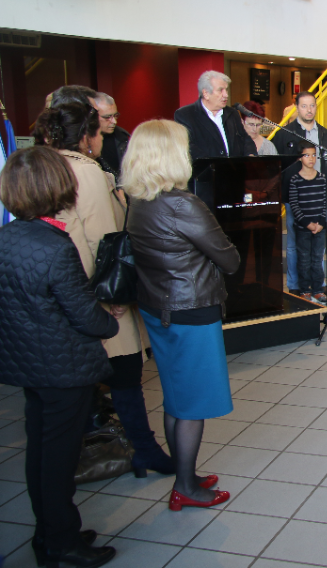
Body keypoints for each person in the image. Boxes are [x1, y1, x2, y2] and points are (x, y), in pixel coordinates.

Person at [36, 103, 175, 478]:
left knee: (79, 383)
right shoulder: (86, 171)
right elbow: (99, 240)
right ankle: (142, 449)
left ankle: (79, 453)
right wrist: (105, 297)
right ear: (85, 135)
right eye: (99, 131)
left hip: (58, 293)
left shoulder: (42, 164)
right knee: (126, 372)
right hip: (96, 293)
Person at [0, 146, 120, 568]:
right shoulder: (54, 246)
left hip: (28, 364)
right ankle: (61, 543)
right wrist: (111, 324)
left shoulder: (8, 238)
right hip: (63, 368)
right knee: (59, 460)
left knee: (41, 453)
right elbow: (85, 316)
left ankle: (50, 533)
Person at [122, 120, 238, 512]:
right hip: (191, 310)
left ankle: (184, 472)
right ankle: (186, 486)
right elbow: (229, 259)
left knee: (176, 395)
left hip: (158, 308)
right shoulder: (182, 204)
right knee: (192, 405)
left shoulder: (137, 201)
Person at [275, 92, 327, 296]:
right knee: (295, 246)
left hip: (318, 197)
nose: (309, 110)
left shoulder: (325, 134)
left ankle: (318, 286)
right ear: (296, 108)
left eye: (312, 106)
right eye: (304, 106)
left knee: (319, 245)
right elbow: (280, 167)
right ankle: (295, 286)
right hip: (296, 198)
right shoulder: (285, 133)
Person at [173, 70, 257, 161]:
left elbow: (245, 139)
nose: (226, 95)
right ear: (206, 94)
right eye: (220, 90)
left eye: (226, 90)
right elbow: (189, 147)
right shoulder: (185, 115)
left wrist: (251, 155)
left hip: (234, 172)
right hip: (204, 173)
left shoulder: (232, 113)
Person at [289, 143, 327, 305]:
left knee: (317, 259)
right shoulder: (295, 180)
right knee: (304, 260)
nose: (311, 158)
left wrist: (320, 222)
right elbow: (294, 205)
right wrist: (308, 224)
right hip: (303, 228)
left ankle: (318, 289)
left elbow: (326, 202)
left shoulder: (322, 178)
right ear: (300, 158)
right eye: (307, 155)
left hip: (319, 227)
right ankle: (305, 290)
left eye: (314, 155)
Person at [93, 92, 130, 176]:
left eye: (115, 115)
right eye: (107, 117)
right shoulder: (83, 143)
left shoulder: (122, 136)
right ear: (92, 117)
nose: (114, 121)